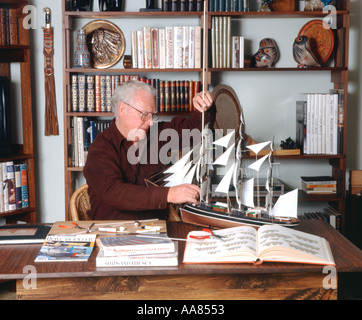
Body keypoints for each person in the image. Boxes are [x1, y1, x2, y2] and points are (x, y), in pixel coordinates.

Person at [83, 80, 215, 220]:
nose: (151, 122)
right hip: (111, 232)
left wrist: (203, 107)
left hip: (156, 231)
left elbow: (194, 129)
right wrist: (169, 194)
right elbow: (114, 192)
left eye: (152, 115)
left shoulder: (157, 133)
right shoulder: (100, 149)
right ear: (122, 109)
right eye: (145, 114)